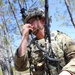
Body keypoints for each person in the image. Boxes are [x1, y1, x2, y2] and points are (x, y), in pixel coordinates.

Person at [14, 7, 75, 75]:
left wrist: (67, 72)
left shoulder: (60, 38)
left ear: (43, 20)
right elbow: (20, 67)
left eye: (31, 21)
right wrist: (24, 38)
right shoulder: (31, 47)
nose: (29, 26)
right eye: (27, 23)